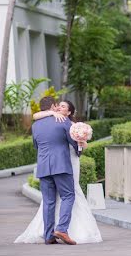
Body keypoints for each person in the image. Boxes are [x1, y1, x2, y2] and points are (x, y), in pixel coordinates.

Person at [15, 99, 103, 245]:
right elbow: (74, 144)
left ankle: (48, 235)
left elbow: (36, 146)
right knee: (68, 196)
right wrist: (80, 146)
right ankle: (62, 229)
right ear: (52, 107)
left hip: (43, 167)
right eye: (56, 106)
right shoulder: (63, 121)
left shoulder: (36, 125)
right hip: (61, 165)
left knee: (49, 201)